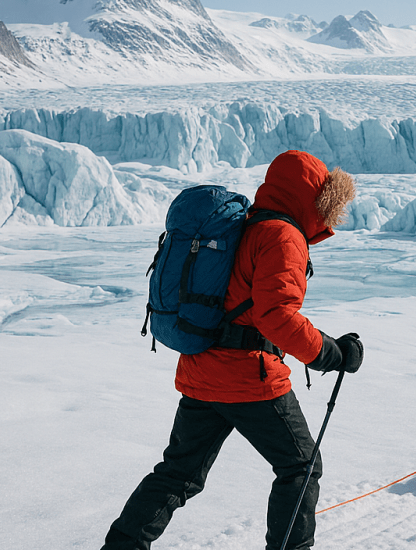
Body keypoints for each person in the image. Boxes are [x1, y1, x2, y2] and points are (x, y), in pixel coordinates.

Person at [102, 150, 364, 550]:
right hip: (249, 378)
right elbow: (275, 316)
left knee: (178, 474)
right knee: (300, 467)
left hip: (201, 371)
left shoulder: (247, 226)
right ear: (314, 197)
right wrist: (332, 354)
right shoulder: (283, 236)